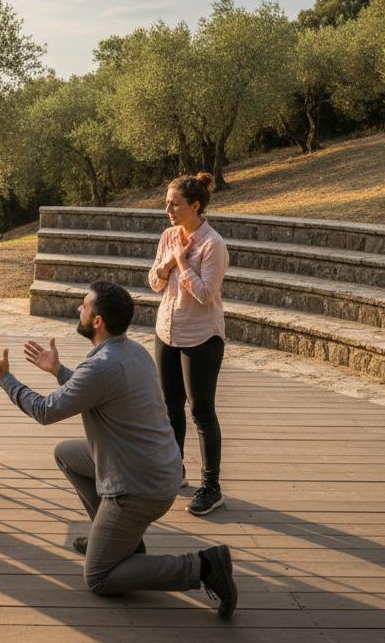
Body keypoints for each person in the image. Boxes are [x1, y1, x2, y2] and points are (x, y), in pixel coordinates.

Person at [0, 280, 238, 619]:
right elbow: (97, 389)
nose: (79, 309)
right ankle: (114, 538)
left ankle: (202, 567)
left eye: (84, 305)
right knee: (67, 454)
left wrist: (3, 376)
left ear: (98, 321)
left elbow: (45, 411)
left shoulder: (101, 366)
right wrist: (57, 370)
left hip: (141, 487)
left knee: (98, 577)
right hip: (155, 468)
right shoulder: (130, 351)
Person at [149, 172, 230, 517]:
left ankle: (211, 487)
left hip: (201, 337)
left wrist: (182, 262)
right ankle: (174, 471)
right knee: (170, 407)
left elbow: (204, 294)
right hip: (167, 332)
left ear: (195, 206)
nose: (167, 208)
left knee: (201, 412)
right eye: (167, 202)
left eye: (174, 203)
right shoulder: (168, 235)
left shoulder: (213, 244)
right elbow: (153, 282)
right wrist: (168, 261)